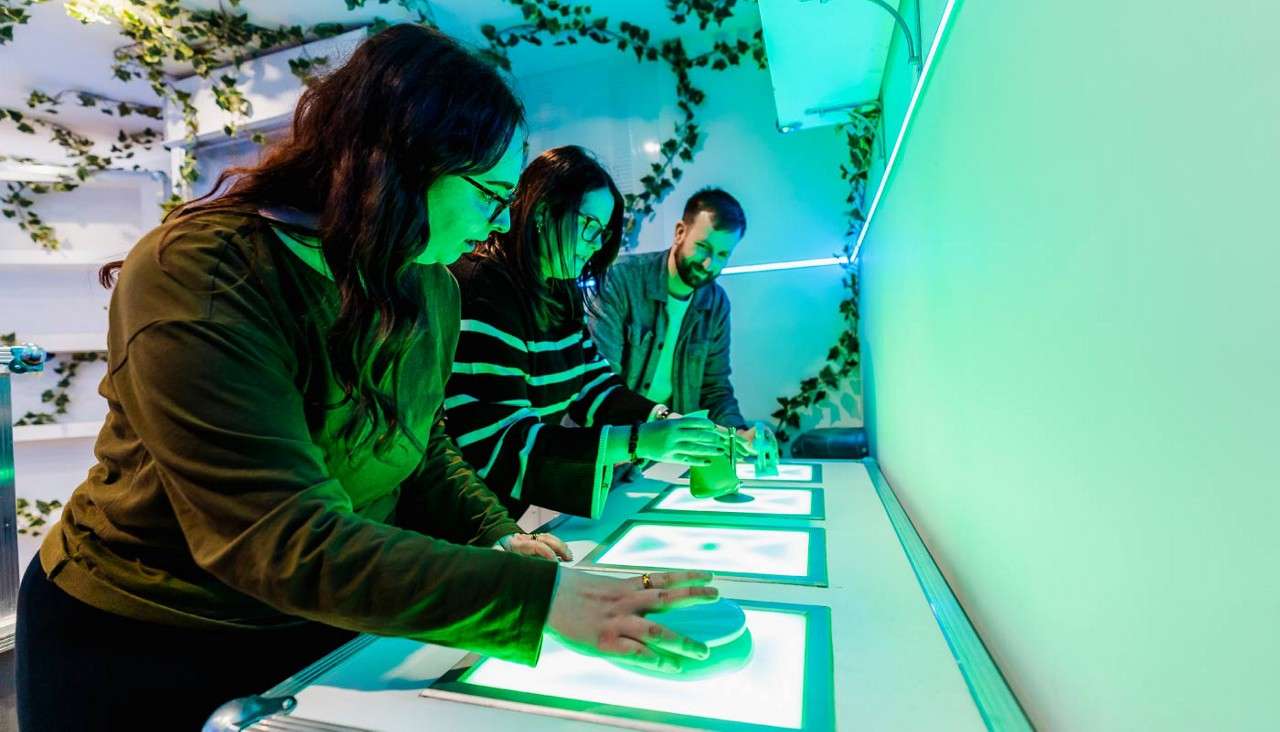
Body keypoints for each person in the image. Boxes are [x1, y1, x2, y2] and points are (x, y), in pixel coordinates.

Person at [16, 26, 716, 731]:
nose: (500, 221)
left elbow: (420, 442)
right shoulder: (202, 271)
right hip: (149, 631)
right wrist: (538, 598)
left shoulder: (430, 284)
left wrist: (494, 535)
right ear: (402, 166)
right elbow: (278, 536)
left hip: (316, 614)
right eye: (488, 195)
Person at [445, 146, 733, 520]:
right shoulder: (486, 286)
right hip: (463, 513)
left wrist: (664, 419)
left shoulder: (559, 292)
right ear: (544, 211)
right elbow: (502, 440)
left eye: (603, 232)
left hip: (505, 514)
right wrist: (639, 440)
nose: (597, 244)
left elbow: (593, 385)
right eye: (589, 227)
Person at [589, 188, 770, 443]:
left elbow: (715, 388)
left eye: (721, 255)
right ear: (680, 233)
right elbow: (601, 381)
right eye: (703, 247)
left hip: (668, 452)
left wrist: (738, 434)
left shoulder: (716, 304)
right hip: (611, 442)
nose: (709, 264)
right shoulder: (622, 279)